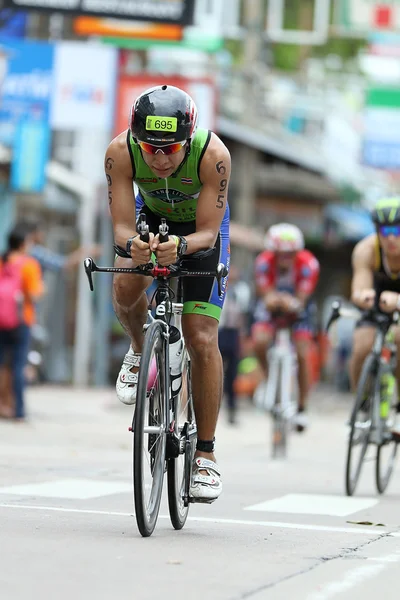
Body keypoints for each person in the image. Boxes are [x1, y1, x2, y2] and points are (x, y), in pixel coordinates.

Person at [105, 84, 231, 501]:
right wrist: (134, 247)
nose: (160, 158)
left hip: (201, 233)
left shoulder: (213, 157)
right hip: (151, 221)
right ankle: (141, 350)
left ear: (188, 139)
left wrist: (181, 246)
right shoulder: (120, 153)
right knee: (124, 283)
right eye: (150, 148)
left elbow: (209, 233)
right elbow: (122, 227)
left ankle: (206, 456)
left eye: (171, 149)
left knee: (200, 336)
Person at [252, 223, 320, 431]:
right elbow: (266, 294)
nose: (285, 259)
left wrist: (289, 302)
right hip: (272, 307)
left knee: (302, 353)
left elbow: (302, 297)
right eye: (280, 254)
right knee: (260, 341)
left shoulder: (309, 264)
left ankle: (302, 407)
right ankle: (267, 376)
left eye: (290, 254)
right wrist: (275, 300)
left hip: (299, 307)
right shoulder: (263, 262)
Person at [349, 196, 400, 440]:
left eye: (397, 230)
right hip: (378, 303)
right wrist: (364, 296)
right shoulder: (366, 250)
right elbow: (359, 290)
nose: (391, 237)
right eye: (385, 230)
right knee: (361, 346)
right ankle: (362, 407)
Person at [0, 225, 44, 419]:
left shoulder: (2, 261)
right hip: (21, 319)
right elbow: (34, 294)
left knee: (2, 365)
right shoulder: (29, 264)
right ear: (22, 243)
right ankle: (18, 411)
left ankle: (3, 405)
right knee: (18, 366)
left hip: (1, 319)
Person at [218, 265, 246, 425]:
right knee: (218, 369)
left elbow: (243, 314)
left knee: (232, 377)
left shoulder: (242, 291)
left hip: (234, 334)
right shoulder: (220, 288)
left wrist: (242, 338)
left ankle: (232, 410)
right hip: (220, 332)